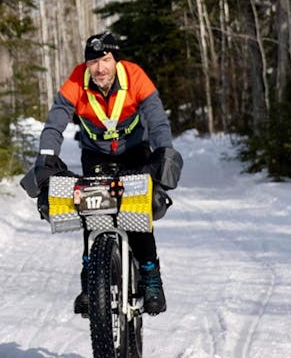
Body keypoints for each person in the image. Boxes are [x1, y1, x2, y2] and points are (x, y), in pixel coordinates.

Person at [28, 31, 181, 316]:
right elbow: (57, 118)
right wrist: (47, 155)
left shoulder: (135, 76)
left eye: (105, 60)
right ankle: (90, 284)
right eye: (93, 62)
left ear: (115, 60)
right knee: (91, 213)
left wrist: (164, 151)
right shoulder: (77, 80)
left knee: (137, 216)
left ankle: (151, 278)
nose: (99, 68)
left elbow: (156, 118)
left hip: (134, 152)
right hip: (95, 154)